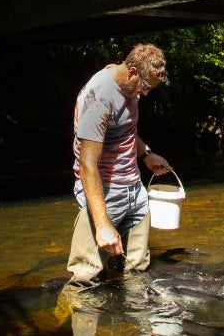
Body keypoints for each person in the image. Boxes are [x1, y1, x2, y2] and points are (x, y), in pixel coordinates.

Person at [66, 43, 172, 286]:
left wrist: (146, 154)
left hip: (134, 190)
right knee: (86, 279)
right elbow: (87, 164)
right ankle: (77, 318)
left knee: (137, 273)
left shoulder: (128, 84)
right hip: (104, 191)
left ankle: (128, 324)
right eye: (145, 87)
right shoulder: (100, 98)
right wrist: (102, 225)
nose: (145, 93)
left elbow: (125, 129)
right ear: (133, 72)